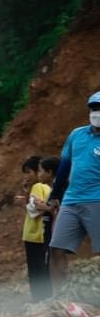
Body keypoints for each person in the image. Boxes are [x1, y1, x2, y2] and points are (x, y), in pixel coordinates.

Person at [47, 91, 100, 290]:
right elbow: (64, 167)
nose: (97, 113)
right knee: (56, 249)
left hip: (97, 200)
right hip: (71, 200)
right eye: (94, 109)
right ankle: (59, 298)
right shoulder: (76, 135)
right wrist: (54, 195)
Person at [18, 156, 51, 301]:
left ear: (38, 171)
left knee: (36, 270)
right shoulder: (48, 187)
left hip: (35, 235)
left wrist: (24, 203)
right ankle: (45, 299)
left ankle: (40, 300)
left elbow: (35, 210)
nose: (26, 176)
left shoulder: (38, 187)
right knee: (42, 268)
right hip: (40, 235)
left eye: (28, 172)